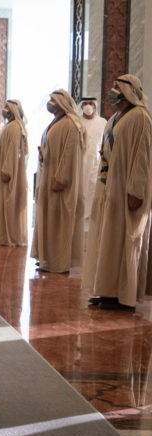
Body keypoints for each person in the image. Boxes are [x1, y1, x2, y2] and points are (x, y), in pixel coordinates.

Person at [83, 74, 152, 310]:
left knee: (123, 241)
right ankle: (107, 290)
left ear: (127, 90)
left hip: (126, 189)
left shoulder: (140, 116)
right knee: (106, 240)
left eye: (116, 87)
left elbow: (142, 156)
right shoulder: (115, 117)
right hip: (108, 185)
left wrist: (136, 189)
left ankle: (123, 296)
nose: (112, 90)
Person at [31, 88, 86, 273]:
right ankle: (49, 258)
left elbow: (69, 154)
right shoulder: (56, 122)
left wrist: (61, 178)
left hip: (60, 183)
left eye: (53, 101)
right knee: (50, 221)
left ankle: (60, 262)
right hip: (48, 178)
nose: (50, 104)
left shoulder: (71, 124)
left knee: (60, 223)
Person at [0, 99, 29, 247]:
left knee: (9, 206)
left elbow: (14, 152)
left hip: (8, 175)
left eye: (7, 107)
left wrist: (6, 170)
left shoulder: (14, 127)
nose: (4, 109)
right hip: (4, 171)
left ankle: (10, 236)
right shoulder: (11, 126)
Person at [77, 97, 107, 220]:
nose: (88, 106)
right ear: (81, 106)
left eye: (90, 103)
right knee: (81, 189)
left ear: (95, 106)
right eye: (85, 103)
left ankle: (92, 218)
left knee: (94, 190)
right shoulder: (77, 121)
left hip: (97, 164)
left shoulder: (102, 122)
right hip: (80, 164)